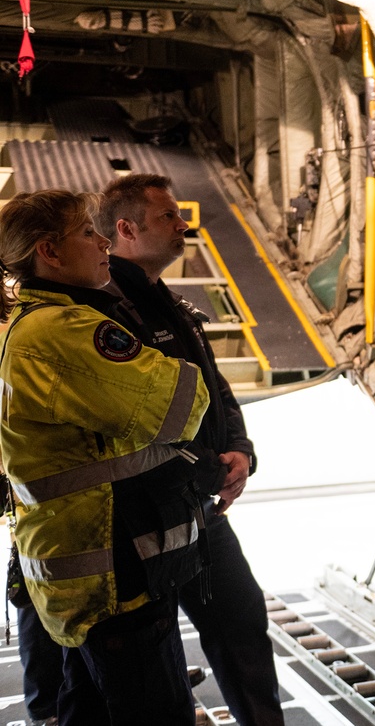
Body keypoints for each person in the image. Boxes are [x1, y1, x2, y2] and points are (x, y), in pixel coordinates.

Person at [0, 190, 210, 724]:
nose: (103, 244)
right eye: (87, 234)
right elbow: (183, 404)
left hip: (85, 576)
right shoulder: (60, 331)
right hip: (113, 581)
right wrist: (169, 368)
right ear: (49, 251)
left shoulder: (32, 324)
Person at [94, 174, 285, 726]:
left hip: (199, 512)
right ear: (126, 229)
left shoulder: (170, 304)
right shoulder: (103, 314)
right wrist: (204, 469)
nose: (184, 226)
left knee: (242, 622)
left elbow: (216, 389)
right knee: (155, 663)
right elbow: (129, 422)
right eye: (169, 218)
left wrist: (241, 451)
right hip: (144, 522)